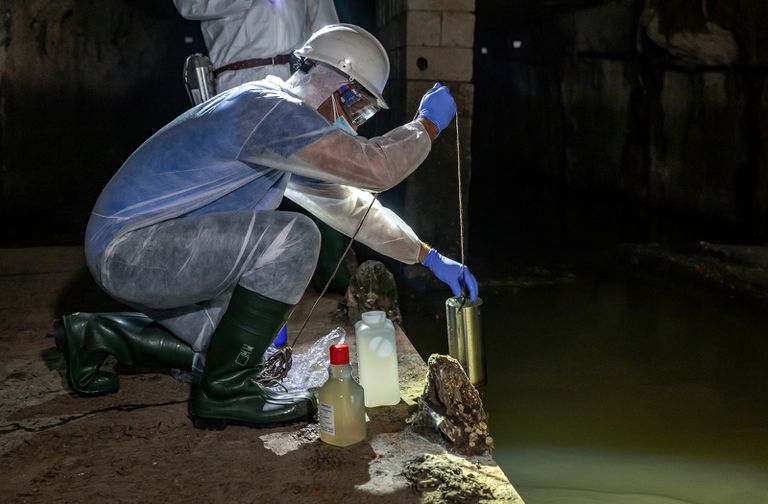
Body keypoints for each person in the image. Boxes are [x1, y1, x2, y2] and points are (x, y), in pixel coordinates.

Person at [56, 24, 479, 430]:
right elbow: (375, 168)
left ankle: (96, 335)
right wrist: (426, 126)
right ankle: (225, 396)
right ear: (339, 86)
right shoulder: (270, 110)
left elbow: (350, 206)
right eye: (360, 108)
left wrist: (427, 256)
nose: (356, 122)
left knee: (234, 349)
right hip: (131, 252)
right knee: (295, 237)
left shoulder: (272, 123)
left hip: (143, 250)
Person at [174, 0, 338, 92]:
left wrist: (329, 79)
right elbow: (188, 5)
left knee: (294, 152)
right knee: (251, 152)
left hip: (294, 76)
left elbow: (326, 29)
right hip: (238, 78)